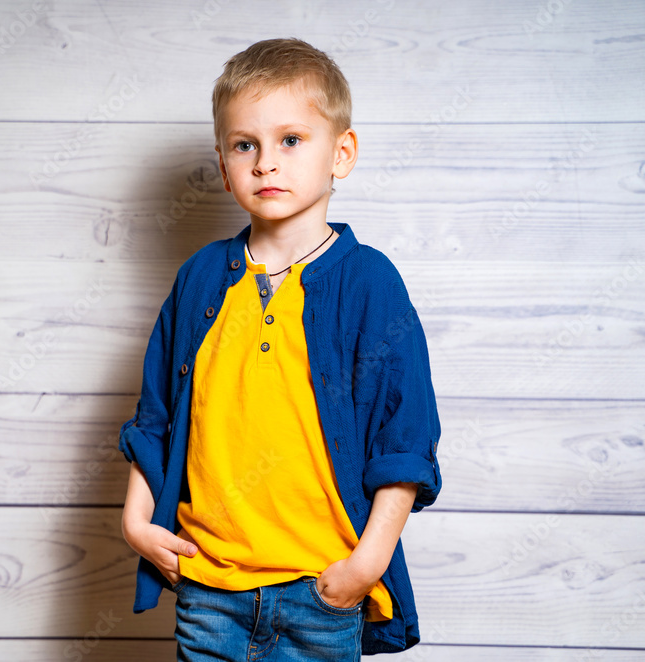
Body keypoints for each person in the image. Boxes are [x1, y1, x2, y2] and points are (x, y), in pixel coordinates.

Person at [118, 37, 441, 659]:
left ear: (341, 153)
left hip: (320, 588)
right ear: (223, 164)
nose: (266, 162)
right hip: (208, 585)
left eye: (291, 140)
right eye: (246, 145)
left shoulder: (368, 282)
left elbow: (404, 438)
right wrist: (137, 523)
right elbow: (154, 415)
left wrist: (365, 565)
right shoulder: (201, 277)